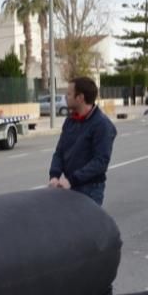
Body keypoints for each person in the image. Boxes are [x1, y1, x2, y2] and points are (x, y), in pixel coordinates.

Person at [48, 77, 117, 207]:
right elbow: (59, 152)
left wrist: (72, 180)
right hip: (69, 187)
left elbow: (100, 162)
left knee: (86, 227)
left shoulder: (102, 125)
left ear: (80, 97)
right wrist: (54, 175)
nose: (65, 97)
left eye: (69, 94)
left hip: (90, 190)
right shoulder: (70, 120)